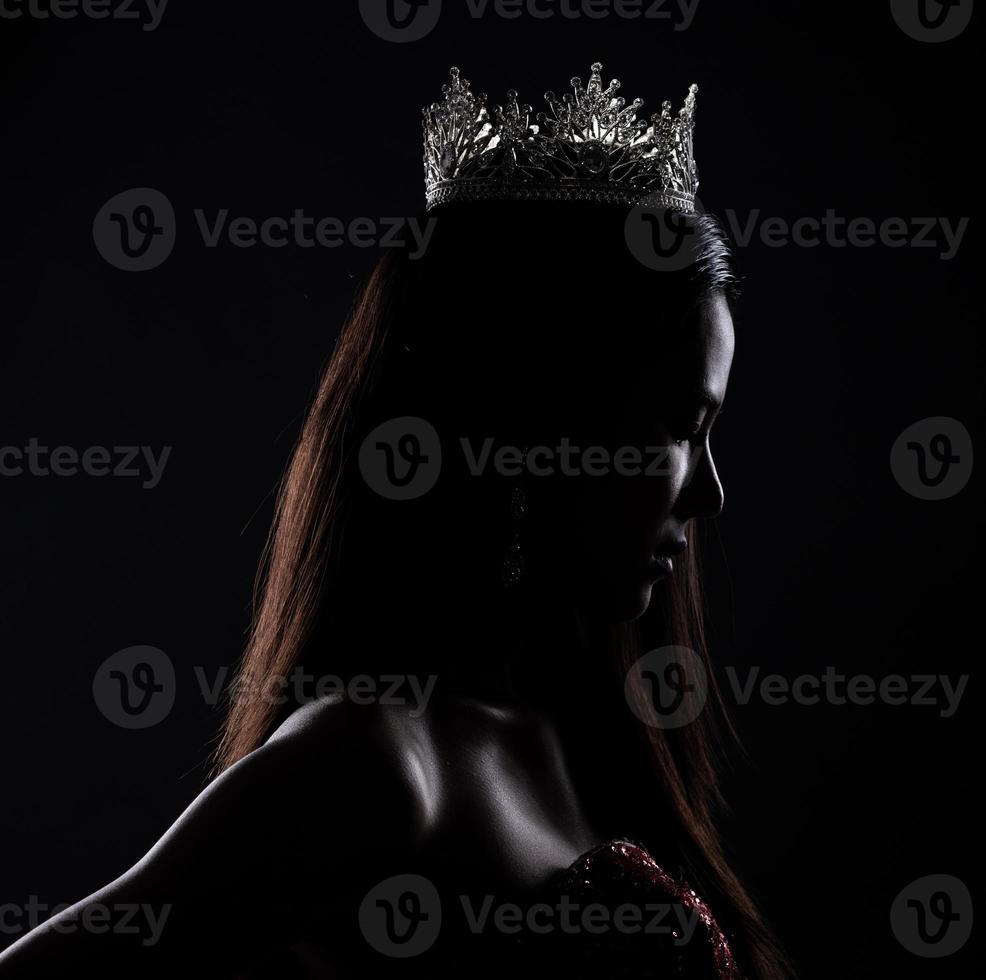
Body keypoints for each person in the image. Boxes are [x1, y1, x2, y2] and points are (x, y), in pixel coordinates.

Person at [0, 62, 790, 979]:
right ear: (546, 416)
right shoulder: (377, 762)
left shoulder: (581, 732)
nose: (710, 493)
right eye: (681, 429)